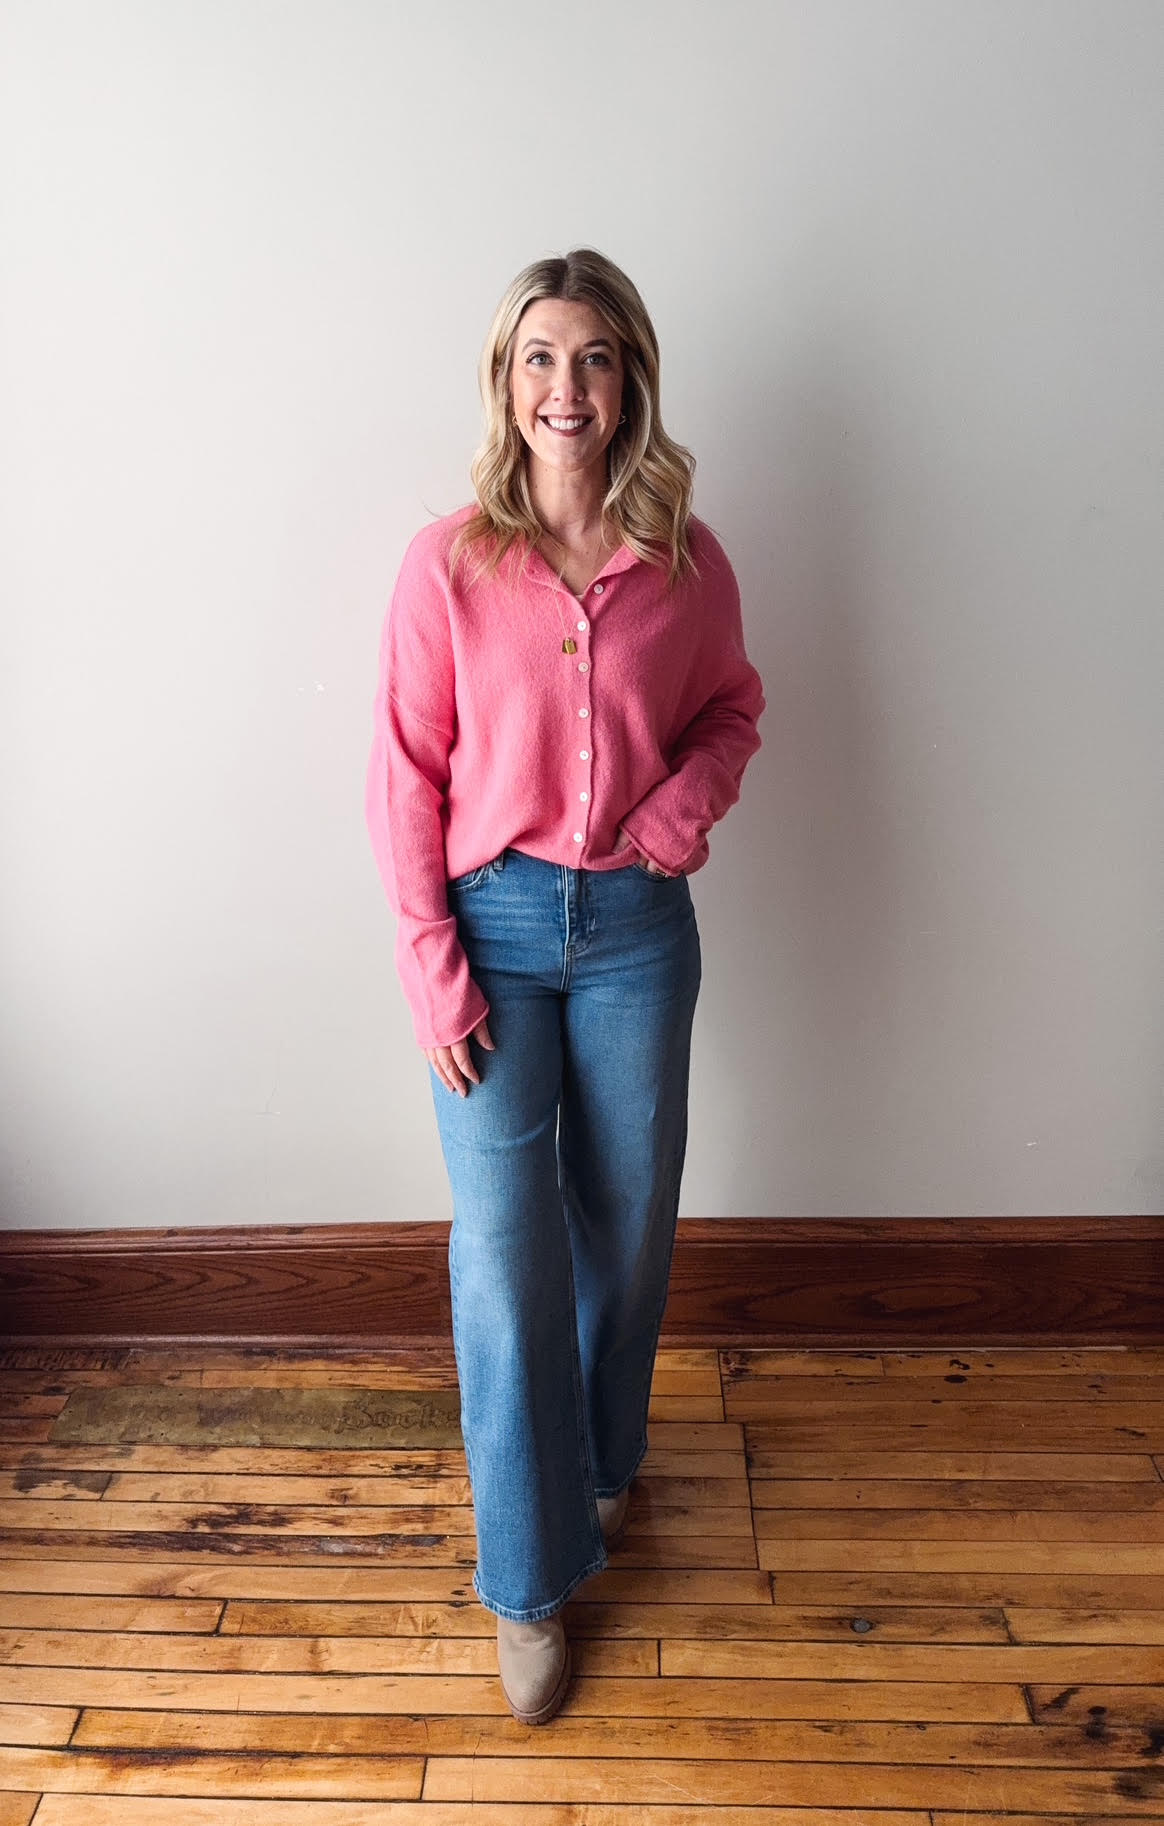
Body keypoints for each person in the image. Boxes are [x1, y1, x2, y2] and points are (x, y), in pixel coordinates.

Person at [366, 247, 764, 1725]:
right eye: (540, 357)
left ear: (630, 378)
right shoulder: (447, 564)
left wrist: (675, 819)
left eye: (593, 356)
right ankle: (527, 1583)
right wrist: (433, 972)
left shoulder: (687, 560)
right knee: (501, 1252)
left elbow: (733, 710)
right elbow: (403, 775)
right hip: (490, 930)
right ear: (506, 381)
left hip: (640, 936)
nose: (566, 386)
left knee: (628, 1224)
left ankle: (601, 1458)